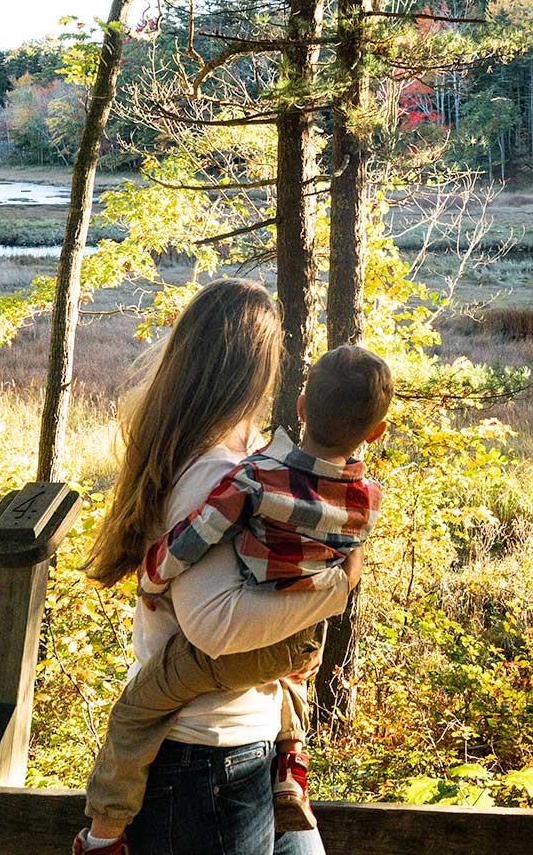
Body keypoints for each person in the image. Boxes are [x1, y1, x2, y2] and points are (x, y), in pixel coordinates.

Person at [72, 279, 366, 855]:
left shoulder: (237, 466)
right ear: (256, 371)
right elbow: (215, 627)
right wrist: (338, 587)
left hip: (232, 748)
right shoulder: (215, 474)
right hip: (208, 758)